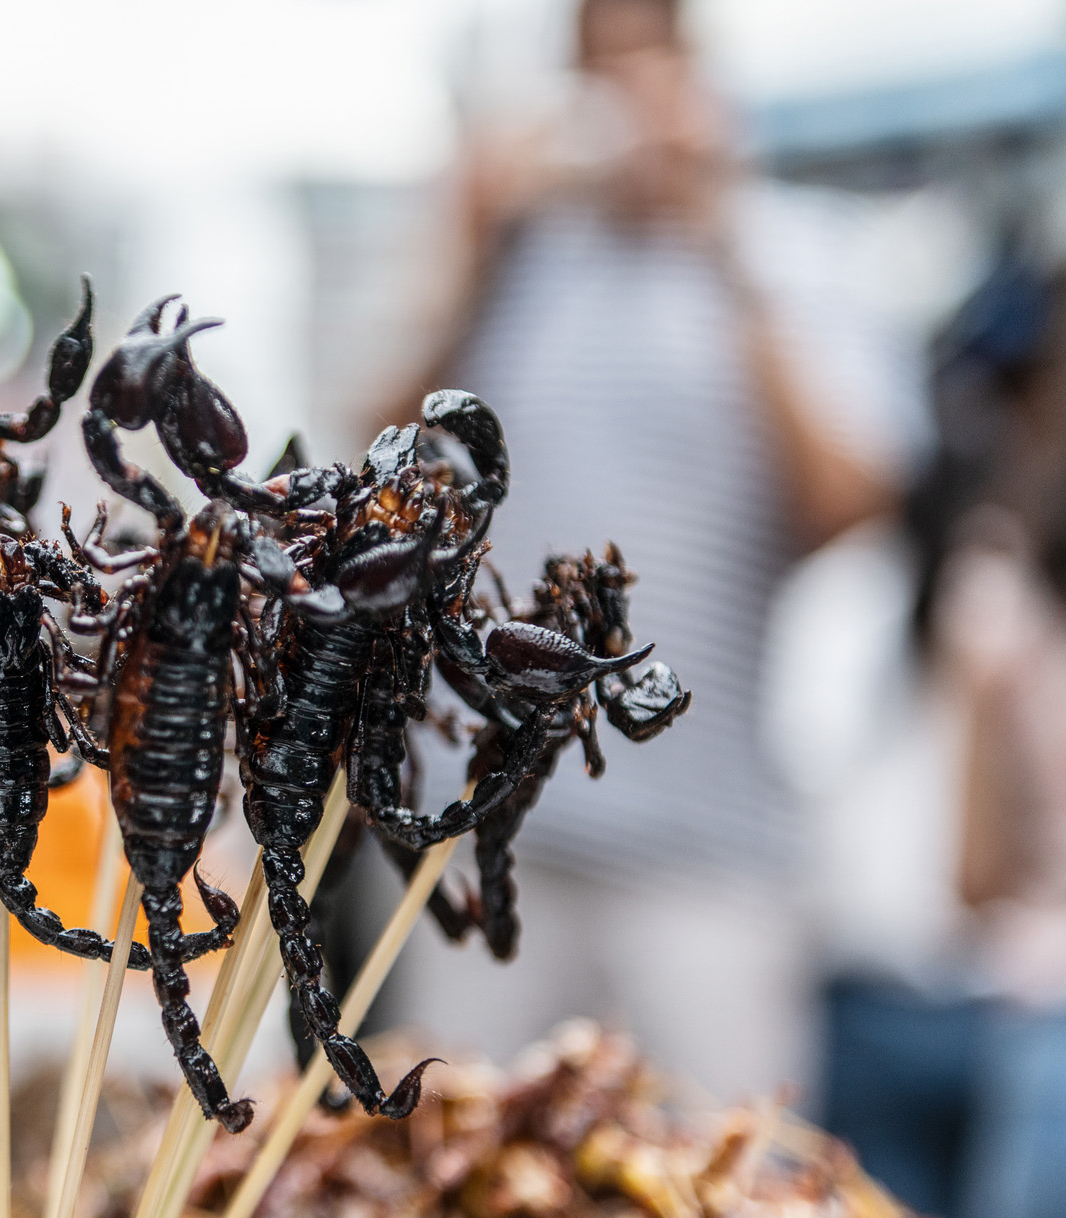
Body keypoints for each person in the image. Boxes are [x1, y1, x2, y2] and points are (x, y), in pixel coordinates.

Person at [378, 0, 925, 1101]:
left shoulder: (787, 252)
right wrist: (467, 246)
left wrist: (721, 231)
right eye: (598, 66)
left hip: (709, 844)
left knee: (743, 1196)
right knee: (436, 1181)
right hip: (488, 827)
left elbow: (853, 501)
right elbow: (384, 473)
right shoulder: (516, 260)